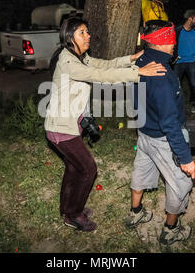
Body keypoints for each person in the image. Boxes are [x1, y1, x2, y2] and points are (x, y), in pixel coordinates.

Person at [44, 17, 168, 232]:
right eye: (82, 32)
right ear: (69, 37)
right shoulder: (68, 62)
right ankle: (74, 215)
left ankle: (67, 209)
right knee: (88, 169)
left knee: (73, 168)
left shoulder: (81, 58)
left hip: (69, 125)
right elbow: (100, 75)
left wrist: (131, 58)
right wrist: (137, 72)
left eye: (87, 31)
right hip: (60, 128)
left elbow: (104, 64)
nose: (88, 35)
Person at [125, 20, 195, 245]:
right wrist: (185, 159)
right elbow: (170, 124)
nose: (174, 43)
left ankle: (135, 212)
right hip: (161, 139)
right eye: (171, 38)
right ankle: (170, 229)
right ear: (164, 40)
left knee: (141, 170)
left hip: (143, 134)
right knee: (181, 182)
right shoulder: (163, 75)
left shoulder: (140, 60)